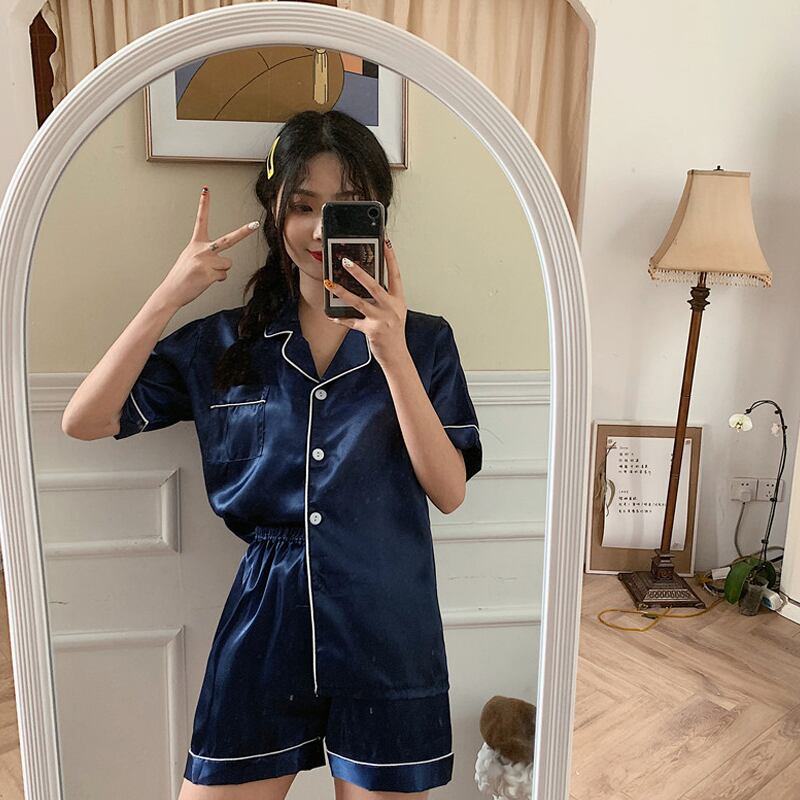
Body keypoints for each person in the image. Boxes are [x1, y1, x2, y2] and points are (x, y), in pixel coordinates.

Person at [62, 110, 482, 800]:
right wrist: (171, 294)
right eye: (303, 206)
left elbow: (449, 490)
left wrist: (392, 352)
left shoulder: (426, 342)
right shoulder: (226, 343)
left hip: (386, 620)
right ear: (275, 213)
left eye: (345, 207)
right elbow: (86, 419)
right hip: (266, 619)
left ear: (377, 217)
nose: (320, 230)